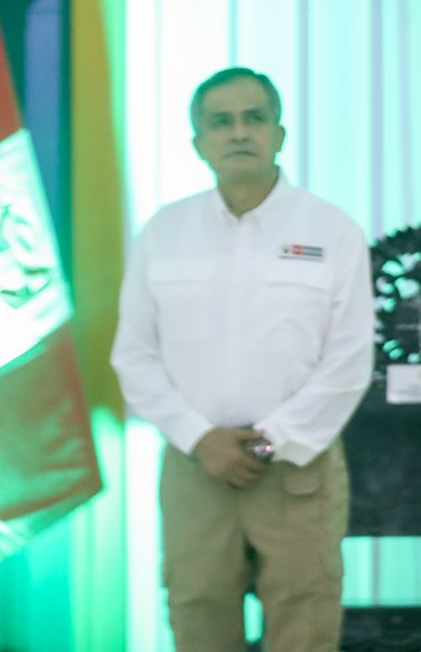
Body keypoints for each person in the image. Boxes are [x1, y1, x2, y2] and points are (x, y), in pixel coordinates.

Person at [111, 67, 373, 652]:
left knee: (304, 625)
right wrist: (201, 439)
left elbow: (351, 357)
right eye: (220, 122)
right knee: (198, 621)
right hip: (196, 465)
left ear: (279, 133)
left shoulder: (332, 230)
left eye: (254, 118)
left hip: (296, 468)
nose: (238, 132)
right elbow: (134, 354)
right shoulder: (165, 232)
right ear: (197, 143)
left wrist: (269, 440)